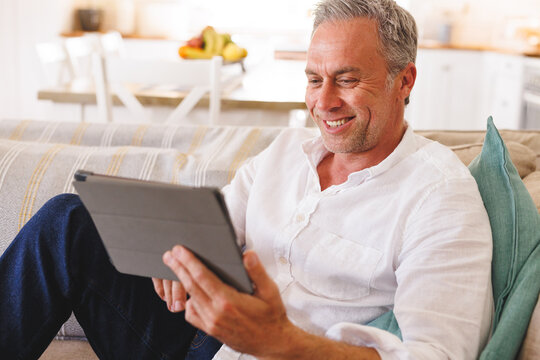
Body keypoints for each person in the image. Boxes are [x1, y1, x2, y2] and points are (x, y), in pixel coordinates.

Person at [0, 0, 493, 359]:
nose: (324, 102)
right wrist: (171, 256)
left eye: (346, 79)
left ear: (403, 81)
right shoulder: (284, 155)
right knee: (68, 220)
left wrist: (282, 342)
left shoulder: (439, 196)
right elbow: (204, 230)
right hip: (199, 338)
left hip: (291, 352)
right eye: (313, 79)